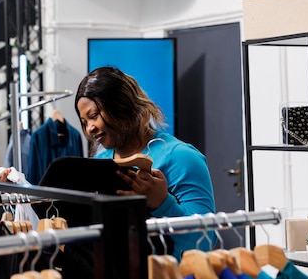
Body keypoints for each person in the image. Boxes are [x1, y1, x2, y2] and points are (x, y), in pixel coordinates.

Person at [74, 66, 216, 260]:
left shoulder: (181, 158)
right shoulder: (99, 163)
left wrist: (163, 204)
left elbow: (205, 242)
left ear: (121, 105)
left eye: (94, 115)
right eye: (84, 121)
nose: (89, 128)